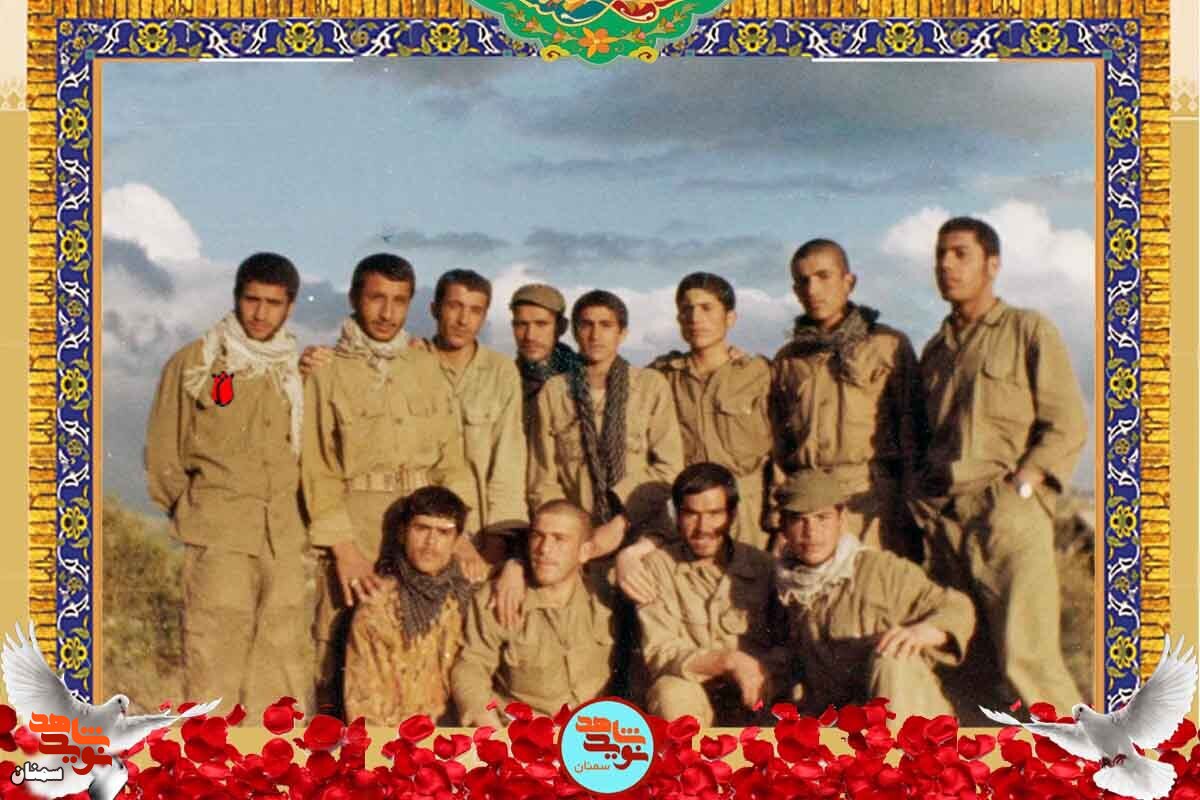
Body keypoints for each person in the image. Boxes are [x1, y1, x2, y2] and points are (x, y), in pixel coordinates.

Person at [909, 216, 1088, 714]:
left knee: (1028, 660)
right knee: (966, 668)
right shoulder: (935, 351)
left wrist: (1025, 486)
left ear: (992, 265)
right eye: (940, 255)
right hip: (948, 525)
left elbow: (1067, 422)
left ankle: (1089, 758)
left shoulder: (1026, 329)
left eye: (960, 254)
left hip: (1007, 515)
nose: (947, 265)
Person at [301, 252, 477, 717]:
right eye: (376, 298)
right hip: (359, 524)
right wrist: (344, 549)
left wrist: (461, 537)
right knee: (337, 647)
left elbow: (452, 459)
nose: (387, 312)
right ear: (355, 298)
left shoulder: (425, 367)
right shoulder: (328, 371)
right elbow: (318, 466)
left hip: (423, 526)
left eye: (399, 301)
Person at [145, 252, 312, 717]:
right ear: (236, 297)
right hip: (218, 538)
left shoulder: (296, 370)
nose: (260, 313)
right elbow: (164, 454)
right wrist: (198, 513)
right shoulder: (196, 362)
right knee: (212, 667)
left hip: (282, 539)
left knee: (279, 670)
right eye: (251, 300)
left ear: (290, 307)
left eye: (273, 303)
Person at [774, 471, 976, 723]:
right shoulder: (783, 586)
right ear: (783, 527)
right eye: (798, 520)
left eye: (822, 518)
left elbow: (957, 606)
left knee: (894, 658)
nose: (811, 532)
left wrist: (925, 631)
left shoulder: (881, 571)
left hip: (906, 716)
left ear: (842, 520)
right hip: (842, 718)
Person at [769, 239, 922, 558]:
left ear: (849, 282)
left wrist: (909, 510)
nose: (813, 289)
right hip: (809, 504)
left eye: (823, 276)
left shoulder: (887, 346)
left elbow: (913, 434)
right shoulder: (788, 360)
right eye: (803, 281)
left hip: (870, 501)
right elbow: (780, 448)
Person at [527, 290, 684, 559]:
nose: (595, 335)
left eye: (606, 325)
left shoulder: (650, 386)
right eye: (586, 325)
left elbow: (669, 468)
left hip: (641, 530)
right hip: (574, 538)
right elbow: (542, 477)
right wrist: (571, 530)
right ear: (575, 332)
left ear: (622, 333)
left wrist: (621, 520)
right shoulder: (555, 391)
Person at [637, 463, 785, 726]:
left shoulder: (763, 566)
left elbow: (788, 644)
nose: (703, 527)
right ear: (676, 515)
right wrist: (726, 661)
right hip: (693, 691)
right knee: (671, 693)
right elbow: (659, 650)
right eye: (691, 514)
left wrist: (759, 670)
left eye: (714, 513)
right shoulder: (657, 567)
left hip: (754, 690)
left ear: (732, 514)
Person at [451, 500, 617, 725]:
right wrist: (482, 714)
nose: (544, 549)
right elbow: (472, 665)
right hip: (522, 730)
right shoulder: (500, 597)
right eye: (538, 536)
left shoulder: (606, 596)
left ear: (585, 551)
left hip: (594, 730)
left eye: (559, 539)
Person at [646, 273, 773, 551]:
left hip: (747, 510)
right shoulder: (661, 377)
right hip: (687, 509)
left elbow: (782, 453)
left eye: (707, 308)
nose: (695, 318)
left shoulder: (759, 374)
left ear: (730, 318)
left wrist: (778, 516)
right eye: (687, 309)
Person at [342, 486, 475, 726]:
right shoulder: (377, 607)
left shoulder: (471, 599)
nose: (431, 542)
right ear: (403, 534)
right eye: (421, 529)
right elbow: (363, 704)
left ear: (457, 541)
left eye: (443, 532)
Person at [429, 270, 528, 560]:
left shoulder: (501, 372)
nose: (463, 320)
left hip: (479, 530)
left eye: (475, 311)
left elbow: (508, 462)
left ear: (484, 317)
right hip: (423, 526)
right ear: (435, 309)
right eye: (454, 306)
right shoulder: (410, 363)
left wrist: (498, 537)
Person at [509, 283, 583, 439]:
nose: (530, 336)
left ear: (561, 327)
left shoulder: (584, 380)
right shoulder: (502, 380)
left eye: (541, 324)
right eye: (521, 324)